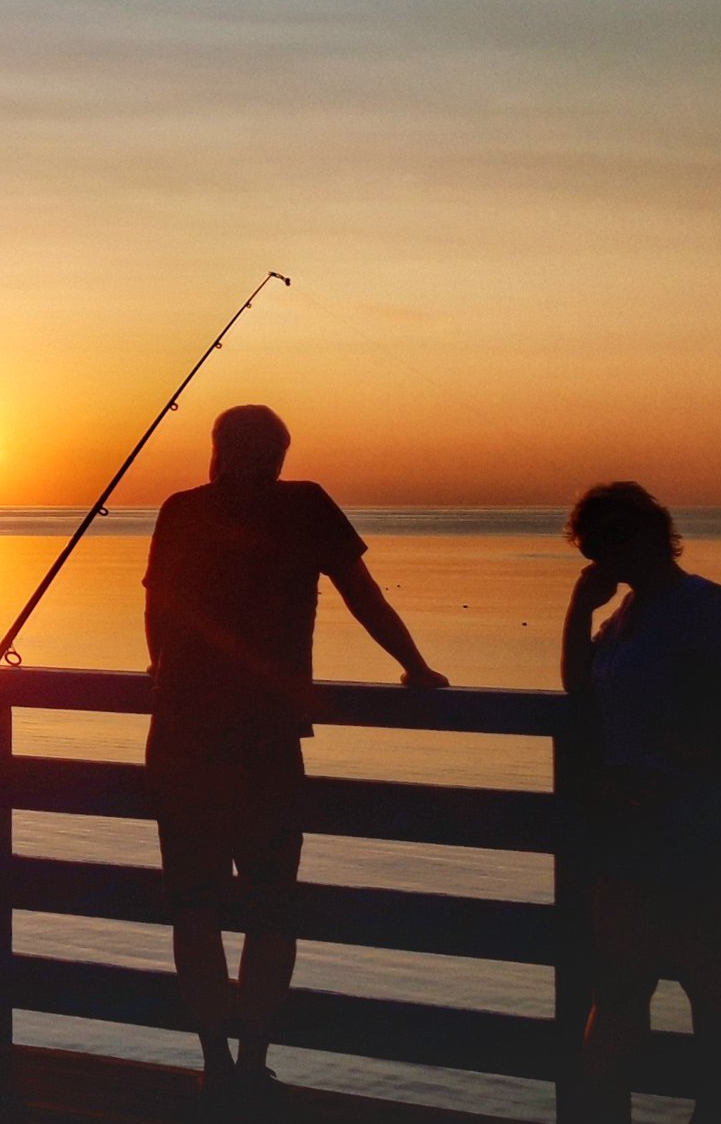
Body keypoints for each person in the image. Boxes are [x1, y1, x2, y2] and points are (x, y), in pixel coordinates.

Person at [143, 404, 448, 1116]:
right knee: (270, 905)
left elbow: (160, 614)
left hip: (183, 733)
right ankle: (249, 1062)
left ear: (216, 451)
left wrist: (164, 677)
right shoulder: (304, 505)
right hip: (263, 740)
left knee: (196, 905)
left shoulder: (181, 510)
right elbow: (361, 595)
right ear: (276, 454)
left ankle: (217, 1064)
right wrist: (415, 665)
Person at [561, 482, 721, 1124]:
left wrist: (698, 747)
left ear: (650, 532)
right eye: (590, 548)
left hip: (693, 813)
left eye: (611, 541)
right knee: (620, 979)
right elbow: (583, 693)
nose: (601, 557)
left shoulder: (698, 603)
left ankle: (713, 1113)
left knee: (706, 971)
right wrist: (580, 611)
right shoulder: (626, 612)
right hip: (629, 816)